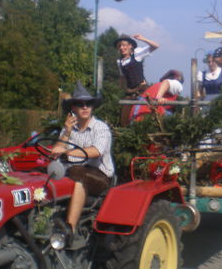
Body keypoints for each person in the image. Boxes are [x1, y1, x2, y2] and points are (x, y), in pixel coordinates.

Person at [51, 81, 114, 248]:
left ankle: (69, 230)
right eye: (80, 104)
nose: (85, 107)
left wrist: (68, 153)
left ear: (92, 107)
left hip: (99, 175)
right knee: (48, 173)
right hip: (73, 171)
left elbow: (96, 151)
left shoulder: (101, 128)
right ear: (73, 109)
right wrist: (66, 133)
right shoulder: (69, 128)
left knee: (77, 174)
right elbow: (57, 150)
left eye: (88, 104)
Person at [115, 34, 159, 125]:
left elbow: (156, 46)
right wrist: (122, 88)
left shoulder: (137, 54)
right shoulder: (119, 61)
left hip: (143, 91)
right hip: (130, 92)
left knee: (142, 116)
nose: (121, 48)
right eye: (119, 46)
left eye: (124, 45)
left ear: (130, 46)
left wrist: (142, 38)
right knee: (124, 119)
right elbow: (122, 77)